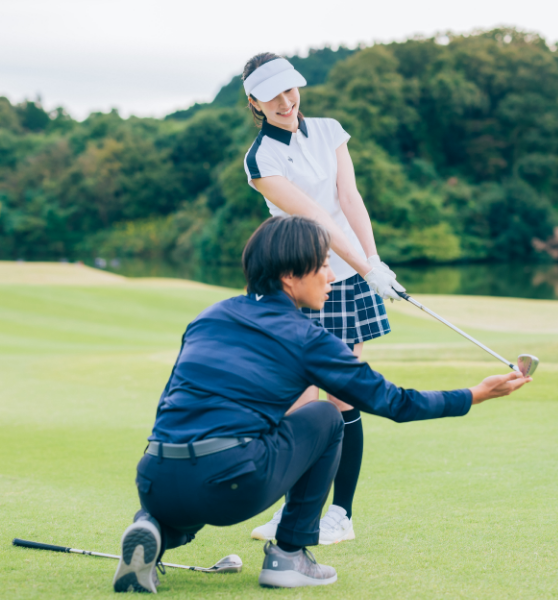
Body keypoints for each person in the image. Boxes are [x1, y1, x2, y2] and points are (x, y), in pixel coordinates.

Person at [112, 216, 531, 592]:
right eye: (324, 264)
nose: (332, 276)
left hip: (154, 480)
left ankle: (156, 531)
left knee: (217, 453)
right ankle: (289, 556)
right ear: (291, 276)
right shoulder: (308, 338)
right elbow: (392, 402)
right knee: (330, 415)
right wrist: (474, 395)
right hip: (230, 483)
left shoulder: (208, 317)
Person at [241, 52, 404, 545]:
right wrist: (365, 265)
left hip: (347, 274)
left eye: (291, 90)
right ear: (255, 102)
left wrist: (374, 262)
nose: (287, 102)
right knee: (298, 400)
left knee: (341, 395)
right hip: (294, 278)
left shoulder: (331, 130)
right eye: (273, 96)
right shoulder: (260, 160)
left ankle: (341, 515)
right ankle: (295, 511)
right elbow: (314, 216)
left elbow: (349, 200)